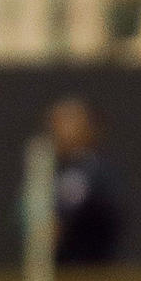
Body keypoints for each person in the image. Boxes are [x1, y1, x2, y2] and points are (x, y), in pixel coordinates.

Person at [46, 95, 123, 265]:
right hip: (63, 273)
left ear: (88, 127)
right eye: (55, 122)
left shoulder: (88, 171)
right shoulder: (56, 171)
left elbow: (56, 225)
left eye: (67, 121)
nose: (57, 129)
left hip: (87, 274)